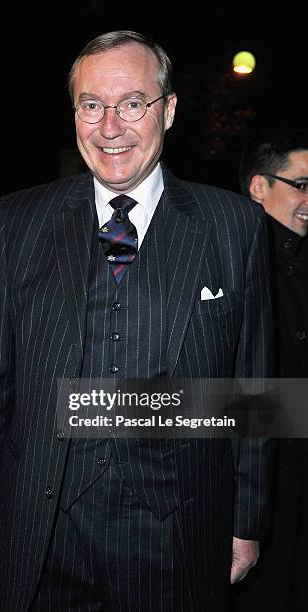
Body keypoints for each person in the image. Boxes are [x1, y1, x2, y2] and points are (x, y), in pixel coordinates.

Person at [0, 31, 273, 612]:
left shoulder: (234, 225)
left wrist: (246, 520)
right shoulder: (21, 218)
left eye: (132, 103)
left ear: (169, 109)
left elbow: (252, 390)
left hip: (178, 529)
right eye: (91, 105)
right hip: (43, 525)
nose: (110, 127)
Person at [235, 128, 308, 611]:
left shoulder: (299, 259)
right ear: (259, 186)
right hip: (255, 491)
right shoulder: (233, 261)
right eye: (301, 184)